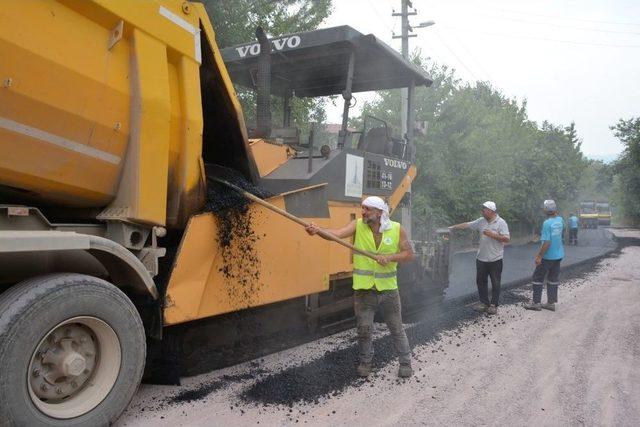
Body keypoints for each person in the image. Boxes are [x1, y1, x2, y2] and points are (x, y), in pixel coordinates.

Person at [305, 196, 415, 378]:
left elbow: (409, 254)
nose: (362, 212)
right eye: (362, 208)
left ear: (379, 213)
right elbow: (336, 234)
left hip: (388, 291)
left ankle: (405, 363)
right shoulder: (358, 225)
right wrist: (318, 231)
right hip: (364, 291)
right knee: (364, 330)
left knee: (396, 328)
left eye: (367, 209)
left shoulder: (397, 229)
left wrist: (390, 258)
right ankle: (366, 363)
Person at [449, 201, 510, 315]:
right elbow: (467, 224)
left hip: (495, 259)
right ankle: (484, 303)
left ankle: (493, 305)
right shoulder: (481, 221)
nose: (482, 211)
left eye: (484, 209)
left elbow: (506, 239)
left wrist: (493, 235)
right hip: (481, 258)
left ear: (491, 211)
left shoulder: (501, 223)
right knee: (481, 281)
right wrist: (452, 227)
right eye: (482, 209)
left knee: (495, 282)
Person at [524, 200, 564, 311]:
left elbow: (547, 242)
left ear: (546, 210)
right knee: (552, 278)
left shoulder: (547, 223)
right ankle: (551, 303)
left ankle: (536, 303)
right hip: (558, 255)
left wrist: (539, 256)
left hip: (548, 256)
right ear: (555, 209)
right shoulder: (560, 220)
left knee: (537, 278)